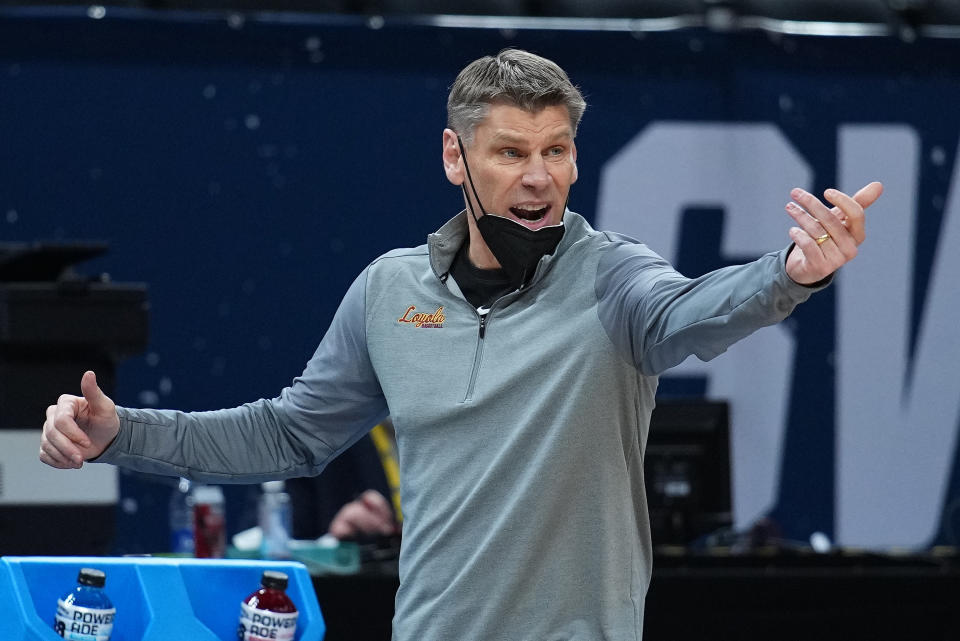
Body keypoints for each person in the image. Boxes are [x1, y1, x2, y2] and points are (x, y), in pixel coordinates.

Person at [40, 49, 882, 640]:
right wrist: (122, 434)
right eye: (511, 151)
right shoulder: (389, 291)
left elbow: (691, 312)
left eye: (556, 150)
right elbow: (290, 435)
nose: (539, 176)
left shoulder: (615, 277)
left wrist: (791, 273)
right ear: (456, 156)